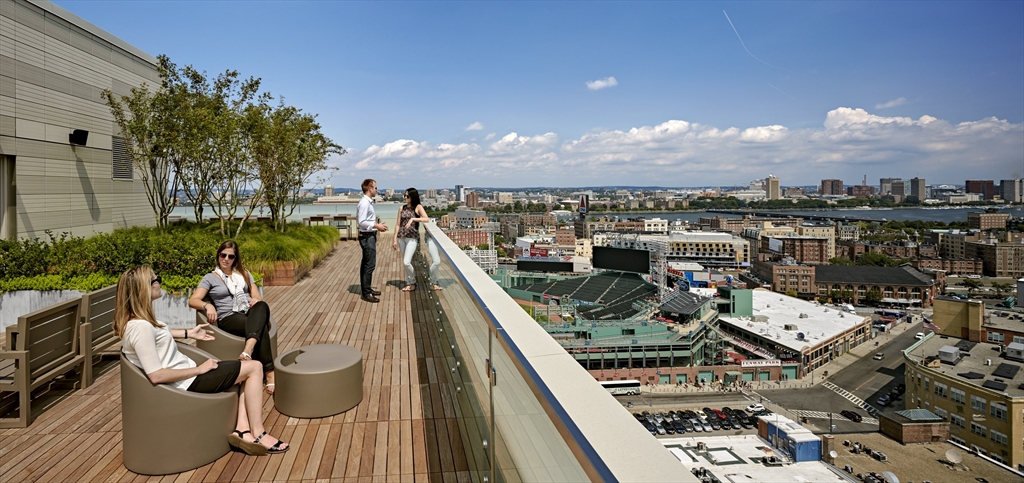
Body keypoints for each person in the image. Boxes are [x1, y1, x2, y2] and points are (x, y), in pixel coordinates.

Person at [116, 265, 288, 455]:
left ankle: (242, 430)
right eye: (156, 280)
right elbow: (156, 375)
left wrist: (189, 333)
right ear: (144, 287)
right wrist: (199, 370)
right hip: (187, 382)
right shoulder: (140, 327)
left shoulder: (139, 322)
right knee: (254, 368)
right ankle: (259, 434)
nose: (159, 283)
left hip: (186, 378)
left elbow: (157, 336)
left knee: (242, 372)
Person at [188, 240, 276, 394]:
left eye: (230, 256)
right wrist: (207, 305)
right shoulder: (210, 278)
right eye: (223, 255)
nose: (226, 259)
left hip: (248, 311)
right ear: (218, 256)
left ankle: (248, 348)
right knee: (260, 327)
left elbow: (255, 294)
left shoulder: (243, 274)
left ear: (235, 259)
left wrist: (255, 299)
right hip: (228, 316)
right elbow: (193, 300)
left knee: (262, 306)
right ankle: (269, 373)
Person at [391, 188, 441, 291]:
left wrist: (413, 219)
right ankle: (410, 283)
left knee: (406, 262)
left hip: (412, 238)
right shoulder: (401, 208)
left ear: (413, 197)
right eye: (404, 196)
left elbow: (426, 218)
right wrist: (395, 239)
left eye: (407, 196)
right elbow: (397, 225)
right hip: (401, 237)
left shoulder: (418, 207)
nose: (405, 198)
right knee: (405, 263)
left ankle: (413, 281)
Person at [357, 179, 388, 302]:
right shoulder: (364, 203)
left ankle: (367, 289)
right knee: (369, 265)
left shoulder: (368, 202)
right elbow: (362, 222)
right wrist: (376, 226)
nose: (376, 190)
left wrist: (376, 224)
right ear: (370, 188)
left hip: (369, 235)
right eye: (375, 187)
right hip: (367, 236)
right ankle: (366, 293)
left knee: (366, 264)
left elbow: (367, 220)